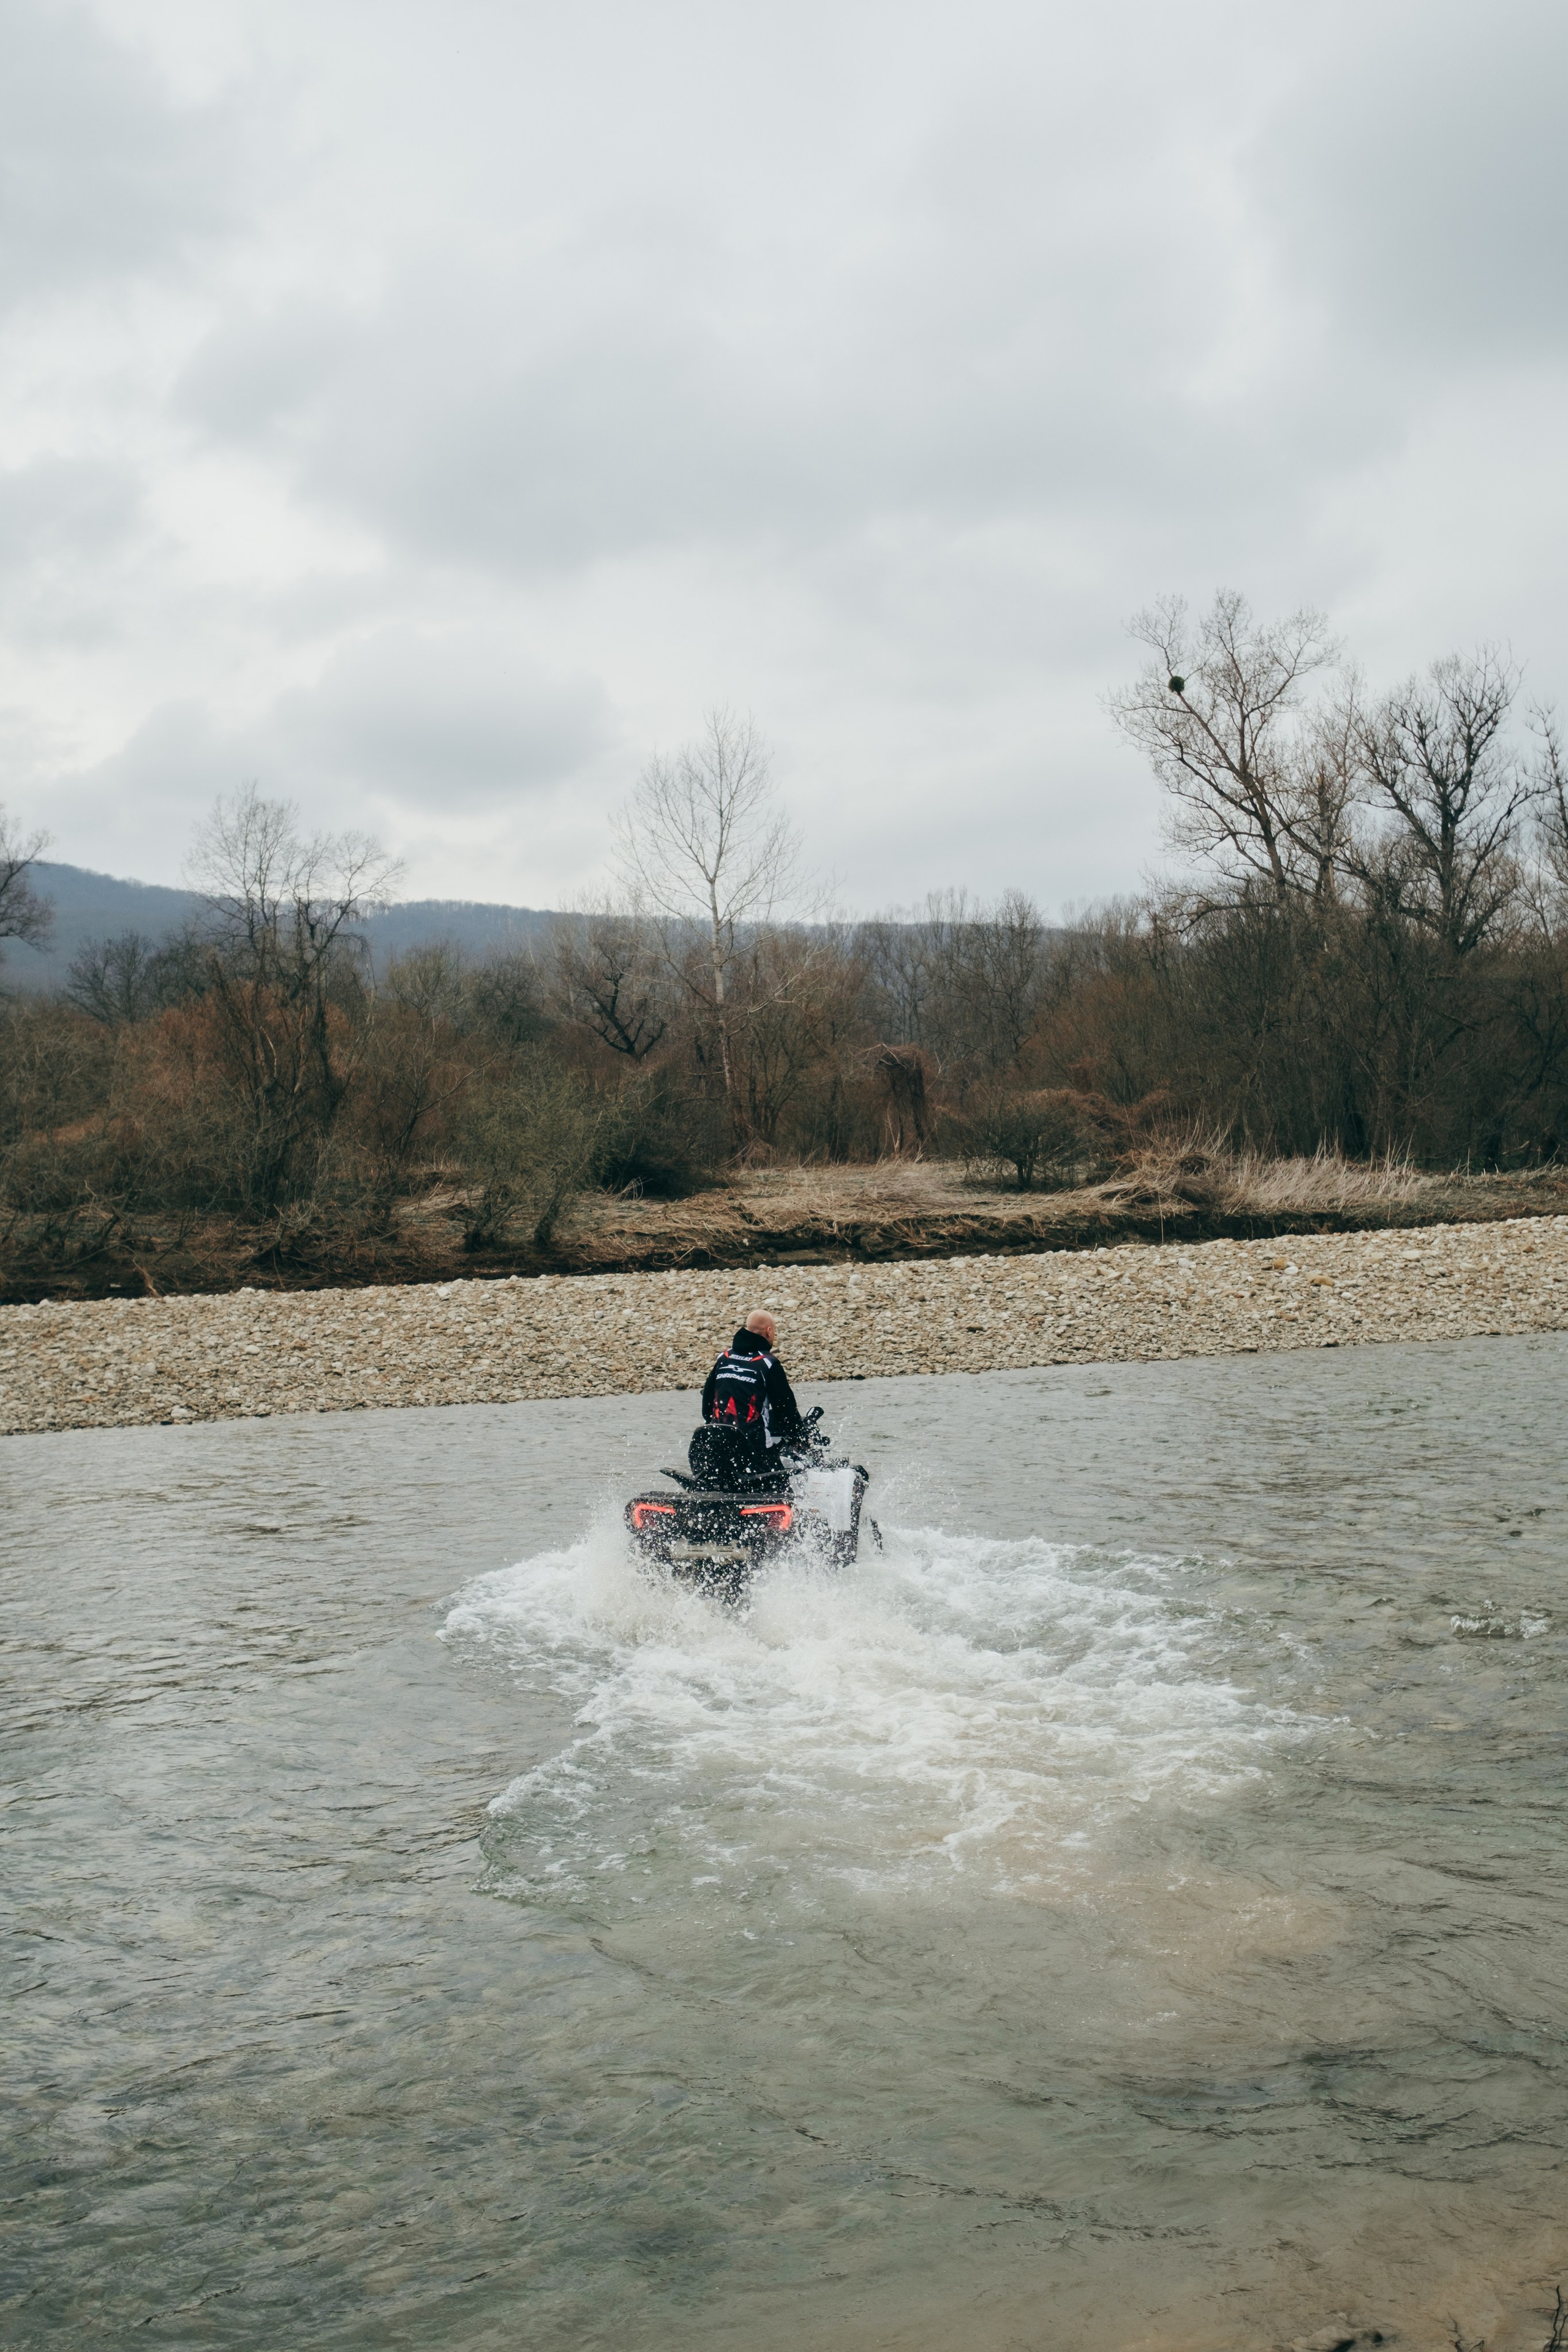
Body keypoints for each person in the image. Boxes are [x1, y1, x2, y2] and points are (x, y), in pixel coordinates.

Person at [690, 1310, 805, 1487]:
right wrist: (800, 1437)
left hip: (716, 1445)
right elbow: (786, 1411)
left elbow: (707, 1404)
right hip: (755, 1451)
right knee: (785, 1486)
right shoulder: (769, 1363)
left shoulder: (724, 1358)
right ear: (769, 1331)